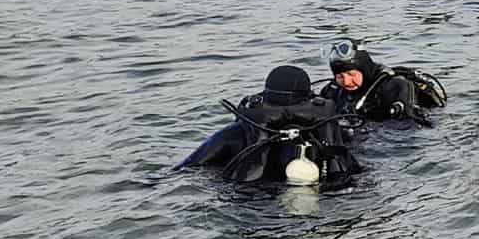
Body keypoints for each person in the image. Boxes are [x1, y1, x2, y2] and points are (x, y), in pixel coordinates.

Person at [181, 65, 361, 184]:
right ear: (309, 97)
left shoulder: (236, 133)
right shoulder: (326, 127)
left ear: (265, 95)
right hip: (329, 197)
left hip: (253, 198)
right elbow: (354, 168)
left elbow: (188, 168)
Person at [322, 40, 441, 124]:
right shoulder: (334, 90)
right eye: (339, 76)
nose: (346, 82)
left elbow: (409, 127)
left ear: (365, 70)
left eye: (351, 75)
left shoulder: (395, 86)